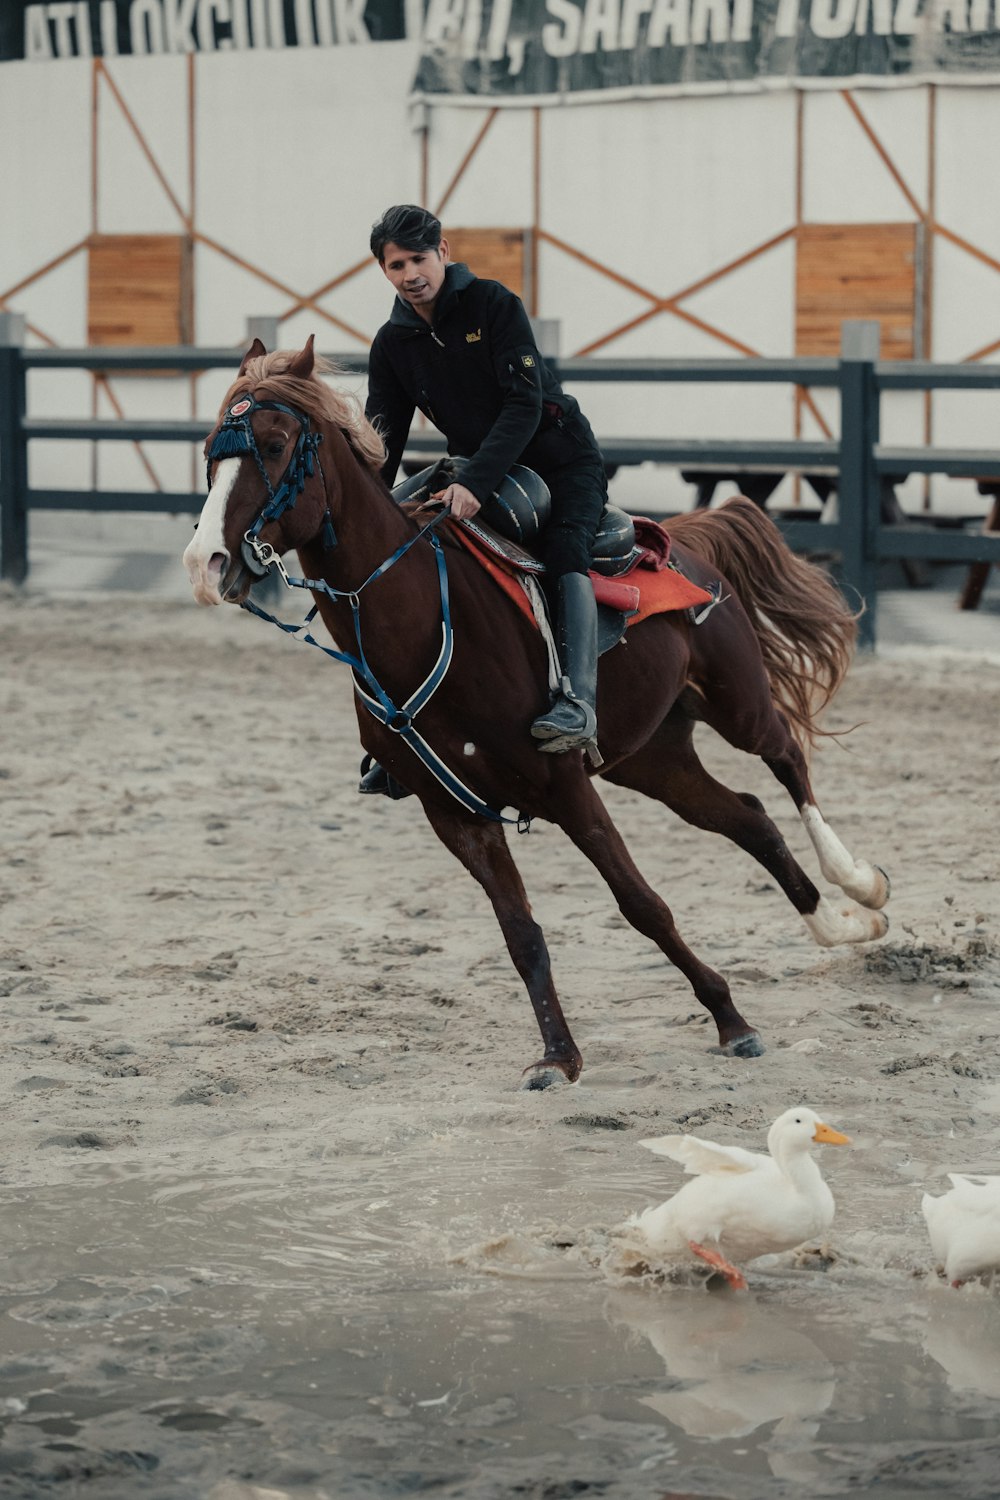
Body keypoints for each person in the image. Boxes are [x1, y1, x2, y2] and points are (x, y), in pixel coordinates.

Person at [359, 203, 608, 795]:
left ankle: (577, 703)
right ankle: (409, 731)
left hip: (560, 459)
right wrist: (369, 505)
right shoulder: (393, 341)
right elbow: (383, 437)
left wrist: (474, 484)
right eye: (396, 265)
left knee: (564, 548)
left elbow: (524, 404)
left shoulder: (495, 305)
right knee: (421, 558)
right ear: (384, 271)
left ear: (443, 252)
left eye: (418, 258)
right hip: (484, 468)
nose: (409, 273)